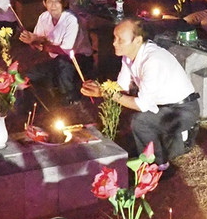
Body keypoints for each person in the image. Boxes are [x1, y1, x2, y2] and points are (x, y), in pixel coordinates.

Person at [81, 17, 199, 170]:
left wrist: (105, 92)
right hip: (164, 107)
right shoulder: (129, 56)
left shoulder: (152, 60)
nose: (114, 43)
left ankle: (160, 165)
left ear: (137, 40)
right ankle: (150, 149)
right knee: (127, 113)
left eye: (120, 40)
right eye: (114, 38)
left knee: (140, 121)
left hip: (182, 110)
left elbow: (142, 105)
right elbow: (121, 87)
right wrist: (99, 87)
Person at [19, 0, 93, 105]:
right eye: (49, 1)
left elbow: (66, 50)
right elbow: (37, 43)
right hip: (54, 58)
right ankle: (41, 98)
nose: (53, 5)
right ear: (44, 3)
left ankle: (70, 98)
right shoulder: (44, 17)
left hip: (77, 59)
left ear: (64, 3)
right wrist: (30, 40)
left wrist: (40, 44)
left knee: (62, 64)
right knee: (30, 74)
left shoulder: (71, 19)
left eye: (57, 1)